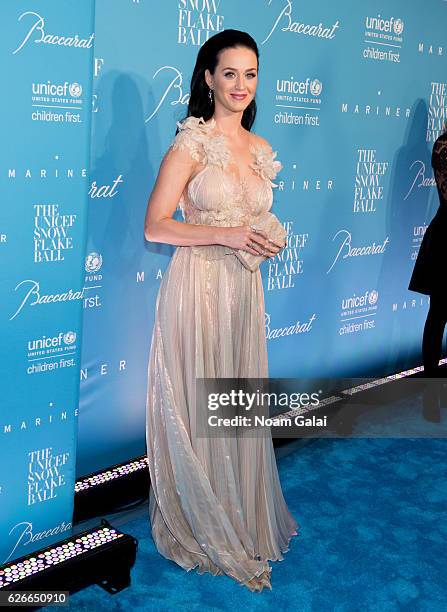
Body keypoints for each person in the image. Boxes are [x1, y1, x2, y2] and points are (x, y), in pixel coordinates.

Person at [143, 29, 298, 593]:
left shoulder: (259, 149)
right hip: (198, 286)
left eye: (250, 74)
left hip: (242, 291)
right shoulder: (192, 143)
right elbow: (155, 224)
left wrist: (263, 237)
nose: (241, 85)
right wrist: (227, 233)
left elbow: (252, 219)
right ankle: (206, 523)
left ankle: (239, 514)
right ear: (207, 77)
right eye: (229, 73)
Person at [409, 130, 447, 378]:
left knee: (439, 313)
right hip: (445, 237)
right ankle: (430, 391)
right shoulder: (443, 145)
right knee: (439, 313)